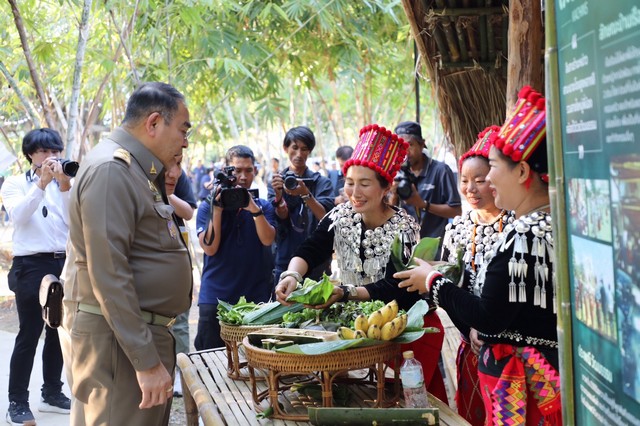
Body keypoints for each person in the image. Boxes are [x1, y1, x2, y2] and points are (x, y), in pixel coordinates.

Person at [396, 86, 561, 425]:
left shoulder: (525, 236)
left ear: (522, 173)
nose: (488, 180)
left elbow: (489, 316)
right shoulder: (546, 227)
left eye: (494, 167)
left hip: (526, 386)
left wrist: (432, 281)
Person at [275, 124, 449, 403]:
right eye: (350, 182)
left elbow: (397, 286)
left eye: (365, 183)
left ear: (385, 188)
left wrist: (345, 293)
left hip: (409, 332)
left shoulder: (404, 227)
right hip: (363, 330)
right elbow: (310, 249)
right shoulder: (340, 215)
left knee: (409, 403)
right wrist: (292, 275)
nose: (355, 192)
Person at [64, 82, 192, 425]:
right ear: (153, 123)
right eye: (182, 129)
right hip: (120, 347)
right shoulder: (112, 170)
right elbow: (109, 273)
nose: (185, 141)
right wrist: (145, 361)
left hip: (137, 338)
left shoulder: (135, 170)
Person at [439, 126, 515, 426]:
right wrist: (469, 329)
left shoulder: (517, 227)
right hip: (469, 341)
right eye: (465, 180)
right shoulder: (456, 229)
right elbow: (447, 289)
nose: (471, 188)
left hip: (508, 348)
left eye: (480, 180)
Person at [1, 128, 72, 425]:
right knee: (29, 333)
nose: (51, 157)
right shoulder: (16, 183)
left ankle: (52, 392)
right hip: (30, 265)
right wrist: (41, 185)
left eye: (55, 151)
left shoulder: (66, 181)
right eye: (44, 152)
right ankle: (16, 401)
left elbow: (76, 222)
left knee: (60, 332)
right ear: (30, 154)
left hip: (65, 263)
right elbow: (17, 216)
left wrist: (65, 185)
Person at [194, 145, 277, 350]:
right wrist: (217, 209)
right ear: (227, 172)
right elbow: (210, 248)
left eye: (248, 170)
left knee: (254, 363)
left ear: (255, 171)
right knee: (210, 362)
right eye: (237, 170)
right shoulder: (208, 206)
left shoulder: (263, 206)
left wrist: (254, 210)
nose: (243, 176)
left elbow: (268, 240)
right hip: (215, 298)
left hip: (254, 299)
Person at [268, 126, 334, 283]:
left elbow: (325, 217)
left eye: (304, 149)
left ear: (310, 151)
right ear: (286, 148)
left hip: (317, 259)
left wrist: (305, 194)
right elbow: (281, 215)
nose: (299, 154)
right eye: (294, 148)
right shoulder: (277, 181)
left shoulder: (321, 182)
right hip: (285, 257)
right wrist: (278, 196)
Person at [391, 121, 461, 252]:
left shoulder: (440, 171)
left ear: (422, 144)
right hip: (404, 248)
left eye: (410, 145)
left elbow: (456, 211)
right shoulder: (395, 173)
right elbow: (389, 212)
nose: (406, 152)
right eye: (400, 147)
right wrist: (393, 194)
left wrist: (423, 205)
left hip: (435, 249)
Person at [166, 164, 197, 397]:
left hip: (176, 252)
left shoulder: (177, 174)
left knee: (180, 319)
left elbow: (187, 212)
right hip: (147, 255)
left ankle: (181, 373)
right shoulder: (136, 168)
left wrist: (166, 193)